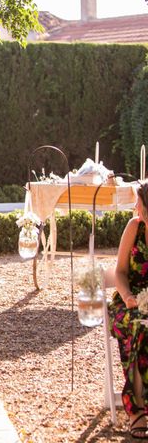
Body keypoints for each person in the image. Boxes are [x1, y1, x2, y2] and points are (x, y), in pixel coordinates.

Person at [110, 181, 148, 438]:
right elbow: (120, 272)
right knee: (138, 328)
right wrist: (127, 295)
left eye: (138, 202)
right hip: (128, 301)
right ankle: (138, 412)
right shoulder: (134, 228)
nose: (135, 207)